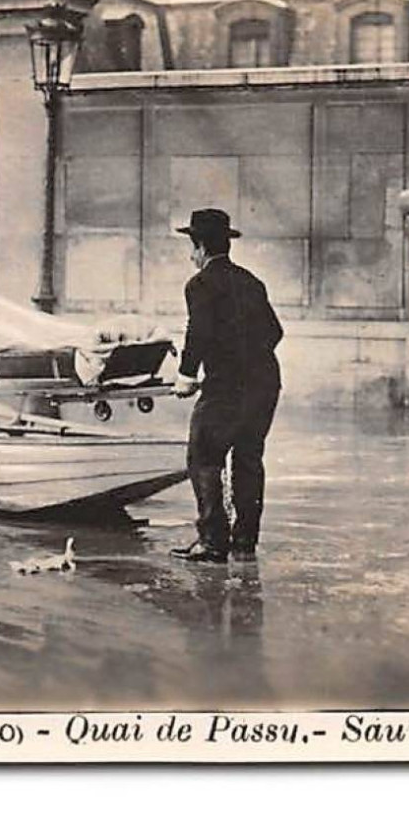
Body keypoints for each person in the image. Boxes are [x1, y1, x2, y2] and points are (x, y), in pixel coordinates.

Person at [170, 208, 283, 563]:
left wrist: (186, 376)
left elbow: (198, 333)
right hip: (265, 383)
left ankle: (212, 541)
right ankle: (245, 541)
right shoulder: (251, 281)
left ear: (201, 246)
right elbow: (275, 331)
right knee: (249, 459)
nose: (191, 256)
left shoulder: (200, 284)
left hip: (226, 387)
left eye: (192, 247)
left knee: (204, 455)